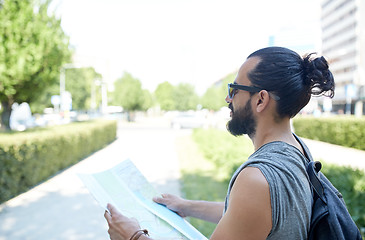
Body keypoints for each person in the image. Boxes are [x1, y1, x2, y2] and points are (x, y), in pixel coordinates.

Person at [104, 46, 335, 240]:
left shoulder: (257, 179)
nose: (228, 99)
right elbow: (248, 215)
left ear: (261, 99)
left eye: (234, 90)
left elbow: (253, 204)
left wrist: (133, 236)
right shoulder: (296, 149)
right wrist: (187, 206)